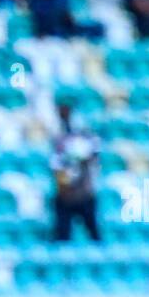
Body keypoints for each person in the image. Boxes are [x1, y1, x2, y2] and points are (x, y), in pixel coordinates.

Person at [50, 102, 101, 243]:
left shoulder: (87, 139)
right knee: (62, 235)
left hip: (83, 195)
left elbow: (92, 158)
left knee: (94, 234)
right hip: (66, 195)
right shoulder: (59, 140)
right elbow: (58, 169)